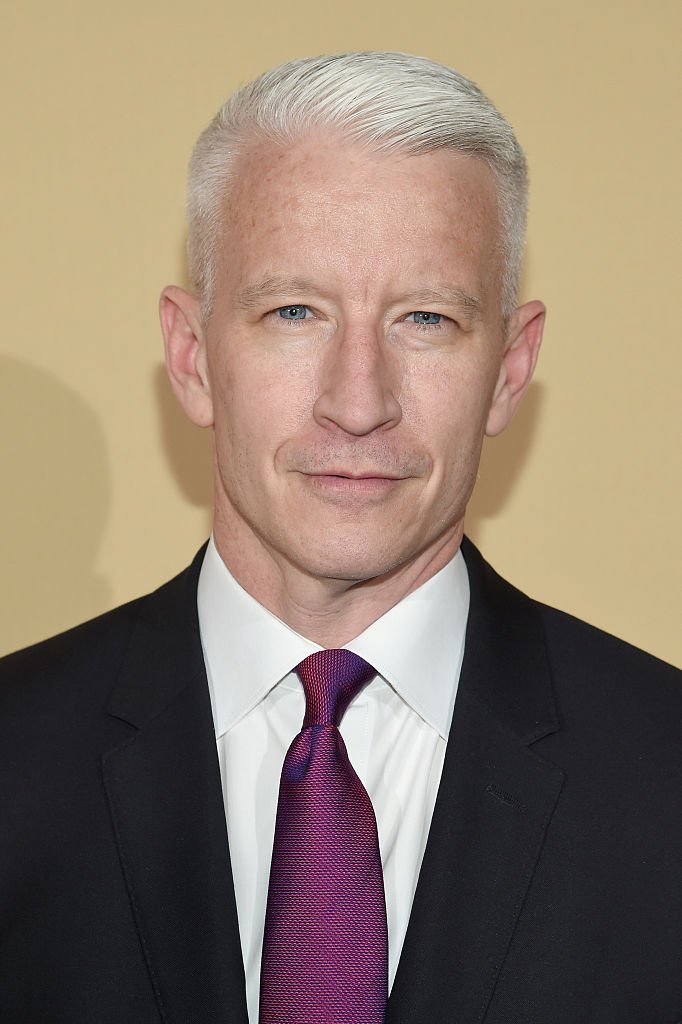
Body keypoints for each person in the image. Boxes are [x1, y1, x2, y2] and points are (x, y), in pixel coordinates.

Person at [1, 52, 680, 1024]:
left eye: (426, 318)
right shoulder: (13, 763)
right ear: (191, 357)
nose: (357, 401)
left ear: (508, 368)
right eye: (293, 311)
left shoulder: (665, 782)